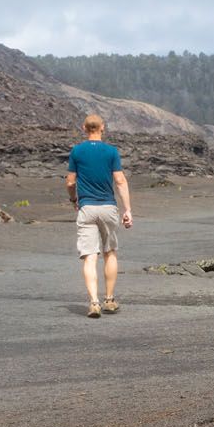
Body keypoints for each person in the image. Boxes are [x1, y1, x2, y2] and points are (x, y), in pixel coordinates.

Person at [65, 114, 132, 318]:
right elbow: (120, 181)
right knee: (109, 252)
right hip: (108, 207)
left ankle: (94, 302)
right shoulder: (111, 152)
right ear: (102, 127)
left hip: (87, 208)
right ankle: (109, 300)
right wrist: (127, 209)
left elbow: (69, 182)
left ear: (84, 127)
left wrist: (74, 200)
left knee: (89, 257)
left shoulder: (76, 151)